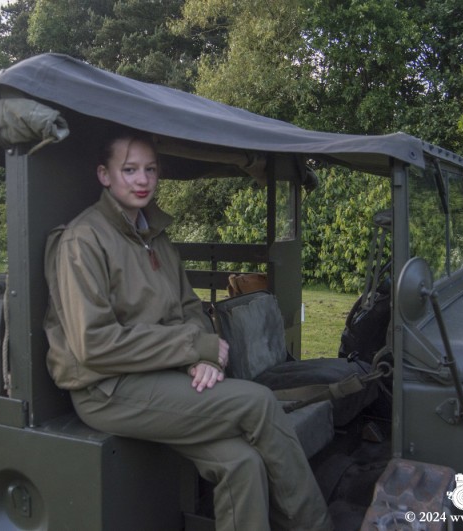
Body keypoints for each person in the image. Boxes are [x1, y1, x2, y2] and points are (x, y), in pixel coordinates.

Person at [43, 126, 333, 531]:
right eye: (129, 169)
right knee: (259, 403)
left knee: (242, 462)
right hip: (107, 389)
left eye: (150, 169)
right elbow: (95, 344)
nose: (143, 180)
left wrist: (203, 358)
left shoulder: (156, 237)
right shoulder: (83, 241)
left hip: (160, 376)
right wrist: (192, 347)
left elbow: (190, 307)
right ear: (104, 175)